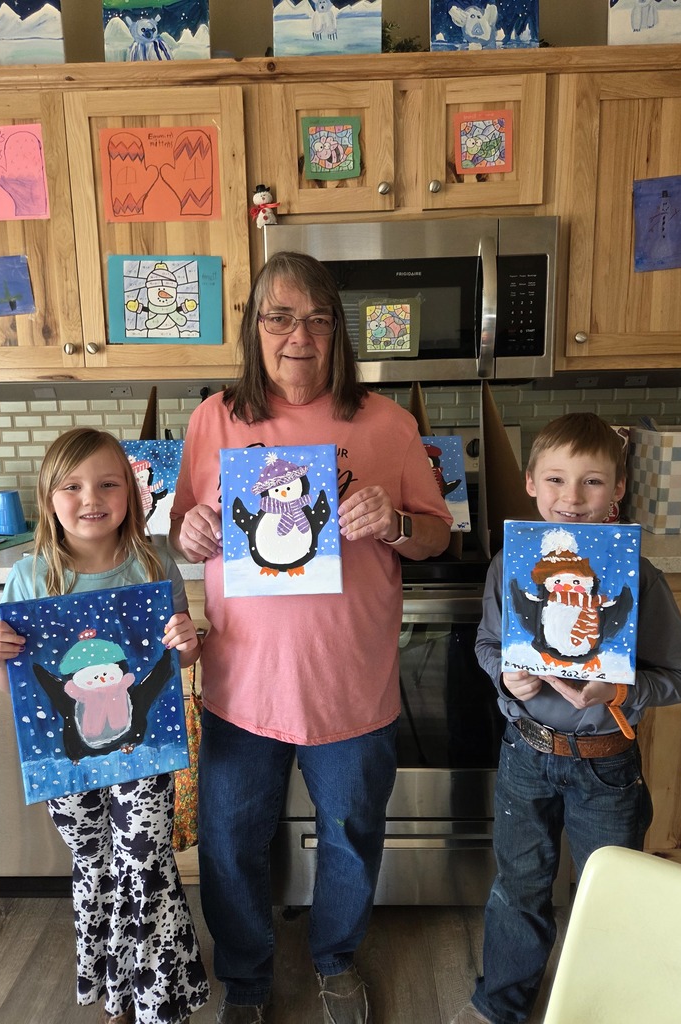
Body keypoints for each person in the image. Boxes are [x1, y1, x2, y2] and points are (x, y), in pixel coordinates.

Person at [169, 250, 453, 1024]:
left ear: (339, 333)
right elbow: (182, 527)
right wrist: (189, 529)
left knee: (352, 836)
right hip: (241, 686)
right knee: (230, 844)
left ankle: (335, 960)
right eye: (281, 317)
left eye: (318, 319)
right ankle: (250, 981)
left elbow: (437, 536)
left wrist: (395, 523)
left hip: (352, 690)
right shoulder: (214, 418)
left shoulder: (388, 424)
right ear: (255, 329)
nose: (300, 335)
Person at [452, 412, 681, 1024]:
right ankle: (500, 1006)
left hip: (606, 767)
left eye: (592, 482)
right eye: (557, 480)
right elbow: (489, 645)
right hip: (525, 755)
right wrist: (506, 676)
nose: (573, 498)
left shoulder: (638, 576)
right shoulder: (507, 568)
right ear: (534, 486)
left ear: (617, 488)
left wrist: (619, 690)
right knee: (518, 887)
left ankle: (605, 1005)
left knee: (612, 897)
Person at [0, 428, 210, 1024]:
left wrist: (188, 644)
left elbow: (173, 661)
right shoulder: (31, 579)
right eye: (73, 486)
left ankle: (160, 997)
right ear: (48, 497)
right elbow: (19, 690)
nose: (92, 498)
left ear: (131, 493)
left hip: (144, 750)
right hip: (68, 762)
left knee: (145, 860)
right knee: (95, 865)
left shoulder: (154, 565)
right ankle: (117, 988)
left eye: (109, 483)